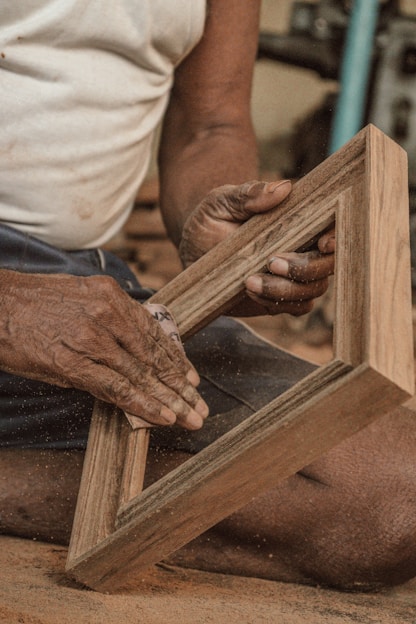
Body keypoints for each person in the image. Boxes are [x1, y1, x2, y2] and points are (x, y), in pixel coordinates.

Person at [0, 0, 415, 592]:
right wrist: (10, 306)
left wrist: (233, 249)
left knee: (391, 498)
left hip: (82, 282)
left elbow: (210, 124)